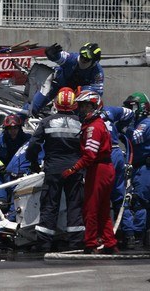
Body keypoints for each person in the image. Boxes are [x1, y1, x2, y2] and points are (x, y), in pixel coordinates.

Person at [26, 87, 85, 252]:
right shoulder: (82, 123)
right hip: (75, 168)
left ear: (56, 103)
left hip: (53, 169)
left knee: (50, 205)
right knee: (75, 205)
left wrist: (33, 163)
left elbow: (33, 146)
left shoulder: (46, 122)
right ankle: (76, 242)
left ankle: (44, 243)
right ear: (75, 104)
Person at [62, 90, 118, 254]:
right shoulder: (98, 124)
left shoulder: (93, 128)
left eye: (85, 106)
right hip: (105, 168)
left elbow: (89, 156)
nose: (82, 110)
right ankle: (109, 242)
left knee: (90, 208)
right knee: (103, 209)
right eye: (81, 106)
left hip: (98, 170)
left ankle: (91, 244)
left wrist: (73, 169)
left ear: (94, 106)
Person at [27, 42, 103, 117]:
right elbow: (60, 56)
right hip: (56, 85)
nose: (82, 60)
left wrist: (81, 95)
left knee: (82, 110)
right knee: (33, 106)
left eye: (86, 59)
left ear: (94, 62)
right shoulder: (72, 58)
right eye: (82, 56)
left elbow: (97, 93)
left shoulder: (97, 72)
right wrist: (51, 54)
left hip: (77, 95)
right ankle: (18, 119)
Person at [101, 104, 135, 248]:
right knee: (119, 196)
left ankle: (102, 235)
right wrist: (118, 128)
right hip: (116, 153)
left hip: (103, 156)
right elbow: (129, 114)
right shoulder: (110, 112)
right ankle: (129, 235)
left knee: (99, 198)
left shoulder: (85, 118)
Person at [0, 114, 31, 222]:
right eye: (10, 128)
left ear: (20, 128)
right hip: (2, 175)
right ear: (6, 129)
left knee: (17, 205)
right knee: (0, 204)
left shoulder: (27, 140)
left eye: (15, 128)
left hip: (20, 177)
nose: (13, 131)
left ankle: (11, 229)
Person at [123, 92, 150, 247]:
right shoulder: (138, 122)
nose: (129, 110)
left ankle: (139, 235)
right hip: (137, 167)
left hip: (144, 168)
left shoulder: (146, 123)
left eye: (132, 106)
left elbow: (135, 137)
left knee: (140, 201)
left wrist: (122, 126)